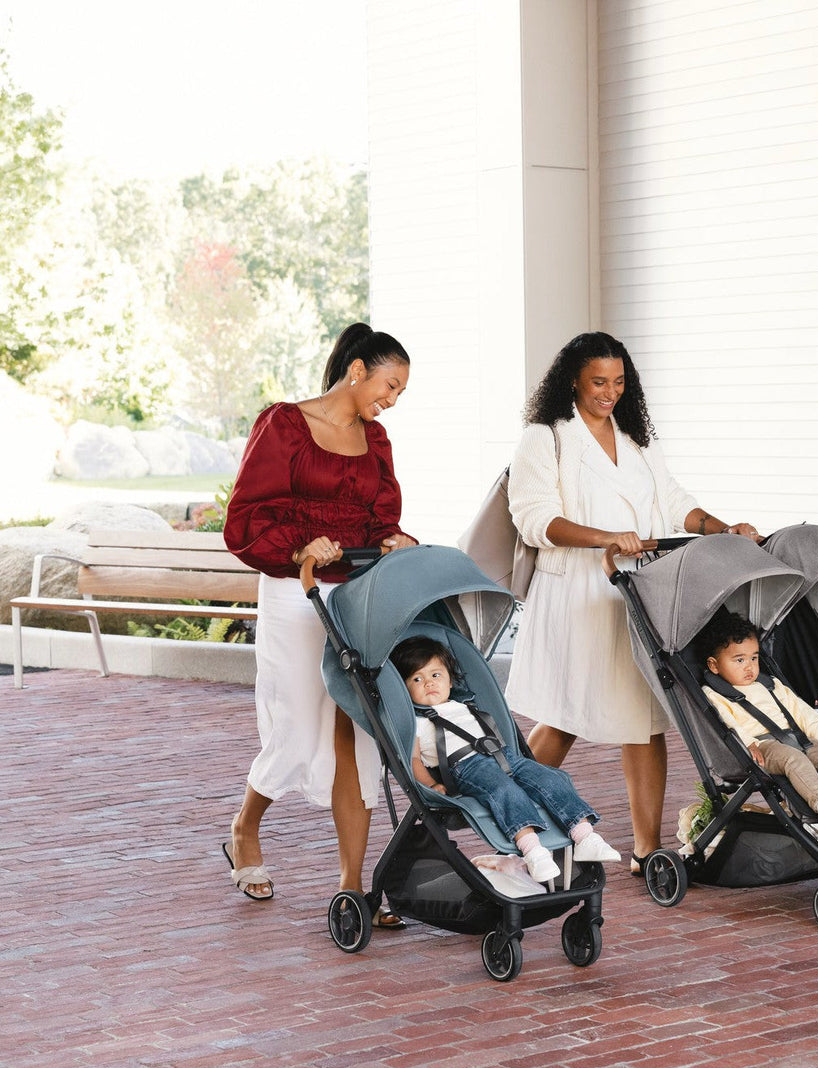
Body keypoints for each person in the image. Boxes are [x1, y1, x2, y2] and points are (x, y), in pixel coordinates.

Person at [504, 330, 760, 875]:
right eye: (598, 382)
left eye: (619, 382)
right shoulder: (545, 438)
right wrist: (606, 538)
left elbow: (673, 500)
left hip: (636, 592)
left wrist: (723, 528)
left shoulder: (635, 436)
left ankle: (647, 851)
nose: (610, 393)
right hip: (576, 596)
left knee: (643, 718)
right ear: (573, 380)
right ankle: (510, 825)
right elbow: (533, 518)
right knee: (565, 717)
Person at [221, 322, 417, 922]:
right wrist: (301, 545)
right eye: (389, 385)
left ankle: (353, 886)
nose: (393, 399)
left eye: (400, 392)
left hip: (356, 592)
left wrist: (394, 538)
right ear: (357, 371)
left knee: (357, 730)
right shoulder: (283, 424)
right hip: (294, 590)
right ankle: (244, 827)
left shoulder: (376, 440)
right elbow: (245, 517)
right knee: (297, 728)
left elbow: (381, 514)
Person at [390, 636, 621, 883]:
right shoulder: (418, 722)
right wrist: (431, 784)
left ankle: (585, 835)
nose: (428, 683)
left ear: (449, 679)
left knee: (551, 778)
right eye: (417, 679)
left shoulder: (464, 704)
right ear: (405, 689)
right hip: (467, 766)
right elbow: (414, 760)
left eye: (436, 675)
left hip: (504, 754)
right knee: (505, 791)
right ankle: (532, 850)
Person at [698, 610, 818, 828]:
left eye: (754, 658)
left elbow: (802, 711)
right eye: (739, 660)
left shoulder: (770, 684)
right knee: (792, 758)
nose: (749, 666)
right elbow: (728, 723)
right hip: (763, 747)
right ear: (714, 665)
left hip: (798, 737)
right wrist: (748, 744)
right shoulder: (715, 694)